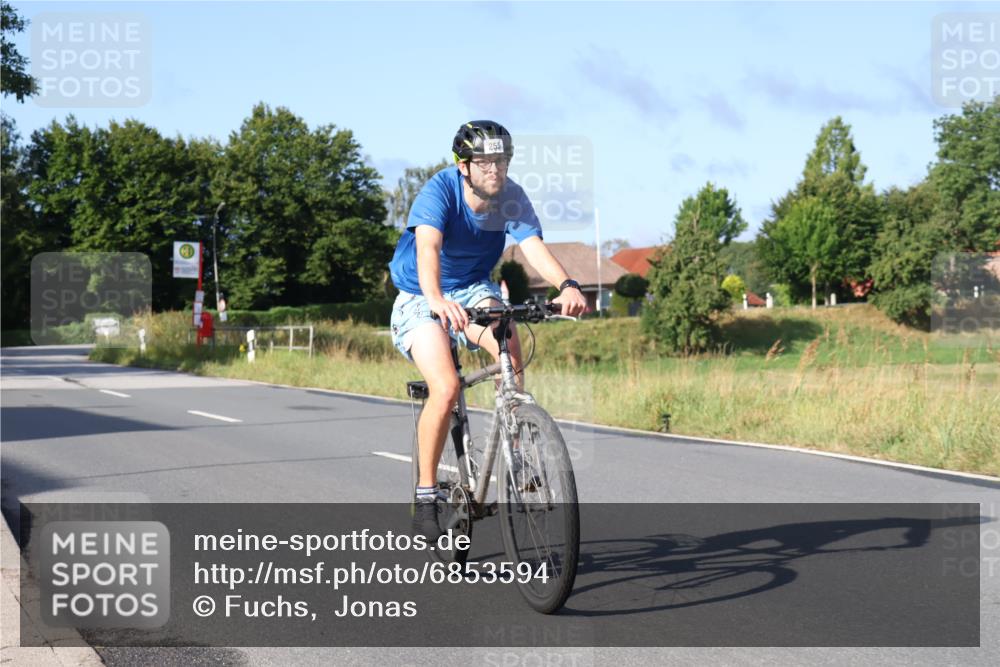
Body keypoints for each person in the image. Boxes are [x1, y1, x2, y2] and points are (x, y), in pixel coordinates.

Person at [388, 120, 588, 540]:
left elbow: (532, 246)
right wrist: (438, 299)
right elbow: (428, 247)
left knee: (509, 343)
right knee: (445, 388)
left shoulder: (510, 196)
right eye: (484, 162)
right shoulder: (439, 191)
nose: (495, 170)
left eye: (501, 160)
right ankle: (426, 496)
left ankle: (518, 450)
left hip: (474, 287)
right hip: (420, 294)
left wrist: (566, 285)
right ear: (464, 166)